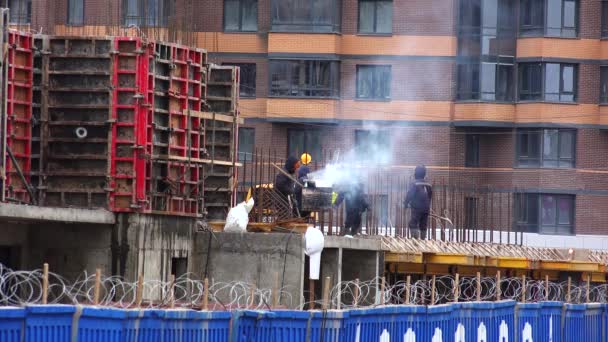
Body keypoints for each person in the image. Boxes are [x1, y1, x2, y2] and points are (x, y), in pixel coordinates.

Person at [404, 165, 433, 239]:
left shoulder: (415, 184)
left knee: (413, 224)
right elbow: (430, 196)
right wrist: (427, 205)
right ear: (424, 174)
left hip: (417, 208)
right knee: (423, 225)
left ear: (416, 173)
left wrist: (405, 204)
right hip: (426, 209)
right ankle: (423, 240)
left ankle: (415, 241)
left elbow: (409, 195)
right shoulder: (428, 185)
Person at [295, 153, 312, 219]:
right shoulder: (307, 179)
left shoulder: (301, 179)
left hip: (300, 206)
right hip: (305, 206)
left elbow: (295, 191)